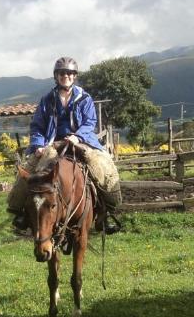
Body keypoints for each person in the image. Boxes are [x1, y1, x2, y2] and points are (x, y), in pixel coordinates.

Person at [7, 56, 122, 234]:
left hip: (81, 142)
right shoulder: (47, 100)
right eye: (62, 73)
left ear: (74, 76)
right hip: (53, 144)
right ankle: (21, 213)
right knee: (29, 172)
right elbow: (37, 125)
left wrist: (78, 136)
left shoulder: (85, 98)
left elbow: (90, 122)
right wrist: (38, 145)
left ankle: (106, 213)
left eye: (69, 73)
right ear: (56, 76)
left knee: (103, 167)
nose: (65, 76)